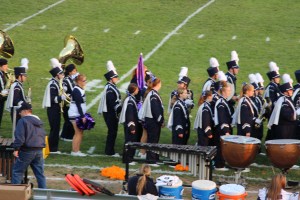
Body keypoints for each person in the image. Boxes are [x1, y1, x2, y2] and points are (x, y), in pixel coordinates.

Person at [12, 102, 46, 188]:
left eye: (20, 111)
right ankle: (44, 193)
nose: (19, 113)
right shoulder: (39, 122)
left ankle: (16, 194)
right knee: (40, 174)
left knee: (17, 172)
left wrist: (16, 149)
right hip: (39, 150)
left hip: (27, 151)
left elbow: (20, 137)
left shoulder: (22, 121)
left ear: (26, 111)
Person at [98, 60, 122, 156]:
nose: (117, 78)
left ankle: (109, 150)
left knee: (113, 131)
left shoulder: (111, 86)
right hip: (110, 113)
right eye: (115, 77)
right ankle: (109, 151)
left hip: (111, 112)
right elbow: (112, 102)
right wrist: (120, 109)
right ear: (111, 79)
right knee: (112, 132)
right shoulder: (109, 89)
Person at [139, 77, 164, 165]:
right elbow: (155, 110)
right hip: (153, 121)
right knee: (152, 140)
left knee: (154, 140)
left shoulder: (152, 93)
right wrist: (161, 121)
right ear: (157, 84)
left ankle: (153, 158)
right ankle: (151, 160)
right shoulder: (153, 95)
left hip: (152, 120)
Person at [268, 74, 299, 139]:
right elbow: (288, 116)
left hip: (288, 128)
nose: (292, 91)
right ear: (285, 92)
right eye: (290, 90)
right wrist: (298, 112)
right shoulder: (283, 102)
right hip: (285, 130)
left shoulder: (287, 99)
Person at [42, 65, 65, 154]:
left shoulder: (56, 83)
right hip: (53, 109)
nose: (62, 75)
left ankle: (53, 147)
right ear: (56, 75)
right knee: (54, 128)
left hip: (56, 108)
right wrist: (61, 98)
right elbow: (53, 99)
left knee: (56, 128)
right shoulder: (52, 84)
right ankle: (52, 148)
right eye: (61, 74)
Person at [214, 82, 232, 171]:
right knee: (221, 147)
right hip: (221, 129)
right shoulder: (221, 102)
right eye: (228, 91)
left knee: (223, 147)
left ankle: (222, 163)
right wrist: (226, 130)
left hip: (223, 128)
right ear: (224, 92)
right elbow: (222, 118)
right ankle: (219, 165)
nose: (230, 92)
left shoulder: (223, 101)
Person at [119, 83, 139, 162]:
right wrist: (132, 127)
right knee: (130, 141)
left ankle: (129, 158)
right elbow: (130, 115)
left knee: (130, 141)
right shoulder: (130, 101)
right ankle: (128, 159)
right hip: (130, 125)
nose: (138, 90)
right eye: (137, 89)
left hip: (129, 124)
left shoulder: (130, 98)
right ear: (134, 90)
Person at [68, 74, 87, 157]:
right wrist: (83, 116)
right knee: (78, 133)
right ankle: (75, 151)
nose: (85, 82)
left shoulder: (80, 89)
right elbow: (78, 105)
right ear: (78, 81)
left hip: (78, 114)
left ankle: (77, 150)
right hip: (75, 114)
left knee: (80, 132)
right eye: (84, 81)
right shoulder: (76, 91)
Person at [60, 64, 78, 142]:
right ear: (70, 72)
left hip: (71, 103)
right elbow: (64, 91)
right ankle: (66, 136)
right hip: (67, 104)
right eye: (74, 71)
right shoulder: (66, 80)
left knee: (70, 120)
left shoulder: (71, 79)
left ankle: (66, 135)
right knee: (68, 120)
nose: (75, 72)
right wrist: (71, 96)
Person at [0, 58, 9, 128]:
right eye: (5, 65)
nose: (7, 67)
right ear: (1, 66)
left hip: (2, 99)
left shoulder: (2, 73)